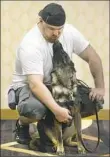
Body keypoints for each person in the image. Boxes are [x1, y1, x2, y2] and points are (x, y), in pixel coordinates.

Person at [9, 3, 105, 145]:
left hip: (59, 84)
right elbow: (35, 84)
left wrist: (100, 87)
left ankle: (60, 127)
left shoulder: (70, 32)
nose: (56, 33)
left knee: (95, 101)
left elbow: (93, 57)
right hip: (30, 86)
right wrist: (57, 110)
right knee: (34, 109)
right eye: (51, 29)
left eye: (60, 29)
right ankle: (22, 123)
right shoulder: (30, 44)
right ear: (41, 21)